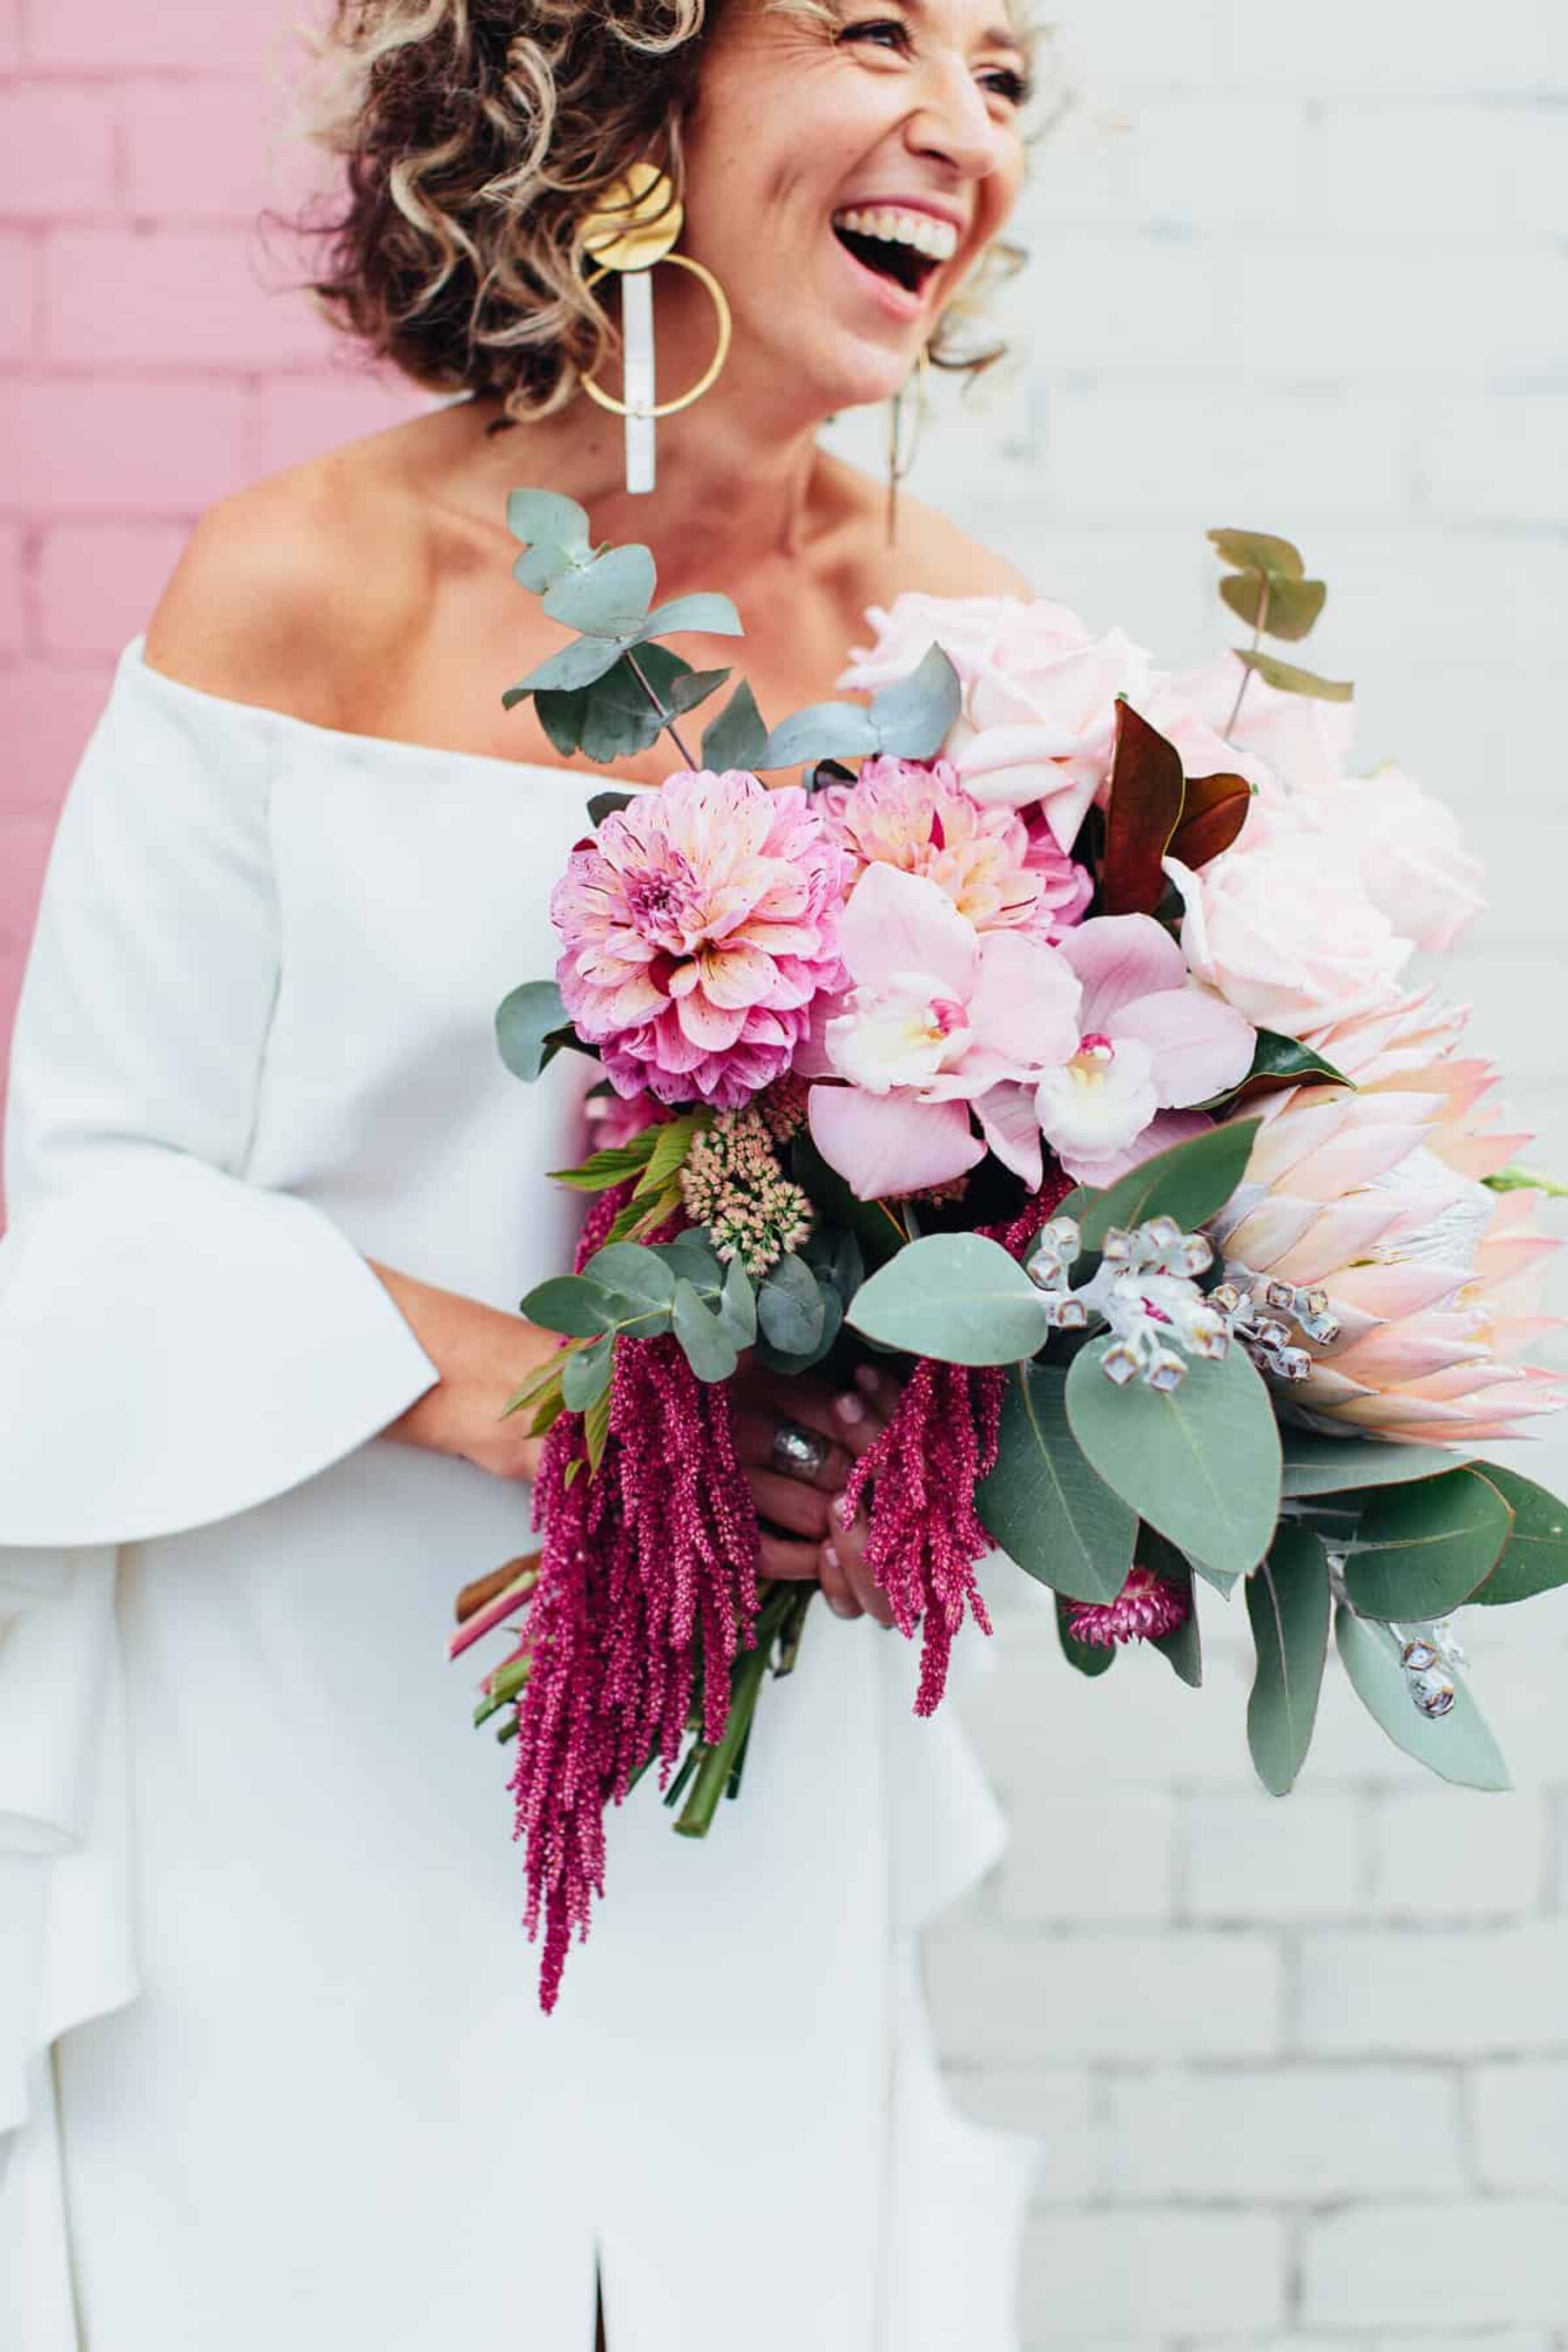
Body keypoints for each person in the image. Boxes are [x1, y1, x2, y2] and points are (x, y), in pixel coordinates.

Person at [0, 0, 1043, 2342]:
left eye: (1007, 75)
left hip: (736, 1776)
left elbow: (1016, 1233)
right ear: (632, 84)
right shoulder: (305, 578)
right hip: (302, 1741)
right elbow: (89, 1204)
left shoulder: (978, 653)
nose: (962, 128)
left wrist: (917, 1457)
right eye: (882, 28)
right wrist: (530, 1391)